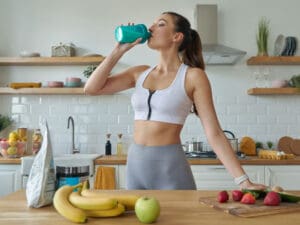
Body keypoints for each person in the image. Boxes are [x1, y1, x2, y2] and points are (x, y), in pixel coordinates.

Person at [84, 11, 266, 190]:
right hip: (135, 165)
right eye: (153, 23)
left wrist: (243, 180)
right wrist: (119, 50)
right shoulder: (139, 73)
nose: (151, 27)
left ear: (176, 36)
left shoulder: (193, 77)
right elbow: (91, 88)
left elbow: (215, 133)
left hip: (169, 167)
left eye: (160, 24)